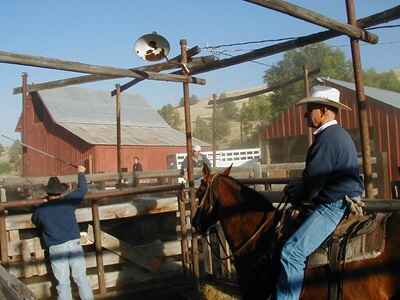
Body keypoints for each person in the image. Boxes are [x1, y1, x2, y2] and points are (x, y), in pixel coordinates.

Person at [274, 86, 364, 300]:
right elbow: (317, 178)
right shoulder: (339, 135)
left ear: (322, 110)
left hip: (333, 205)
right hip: (344, 198)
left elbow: (314, 185)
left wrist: (296, 194)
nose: (306, 113)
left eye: (310, 108)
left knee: (291, 252)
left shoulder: (326, 140)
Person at [32, 166, 93, 300]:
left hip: (56, 247)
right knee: (81, 279)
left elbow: (35, 220)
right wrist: (81, 173)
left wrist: (41, 204)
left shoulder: (41, 210)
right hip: (74, 243)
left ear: (47, 193)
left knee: (63, 283)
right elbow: (82, 189)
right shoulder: (68, 201)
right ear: (61, 192)